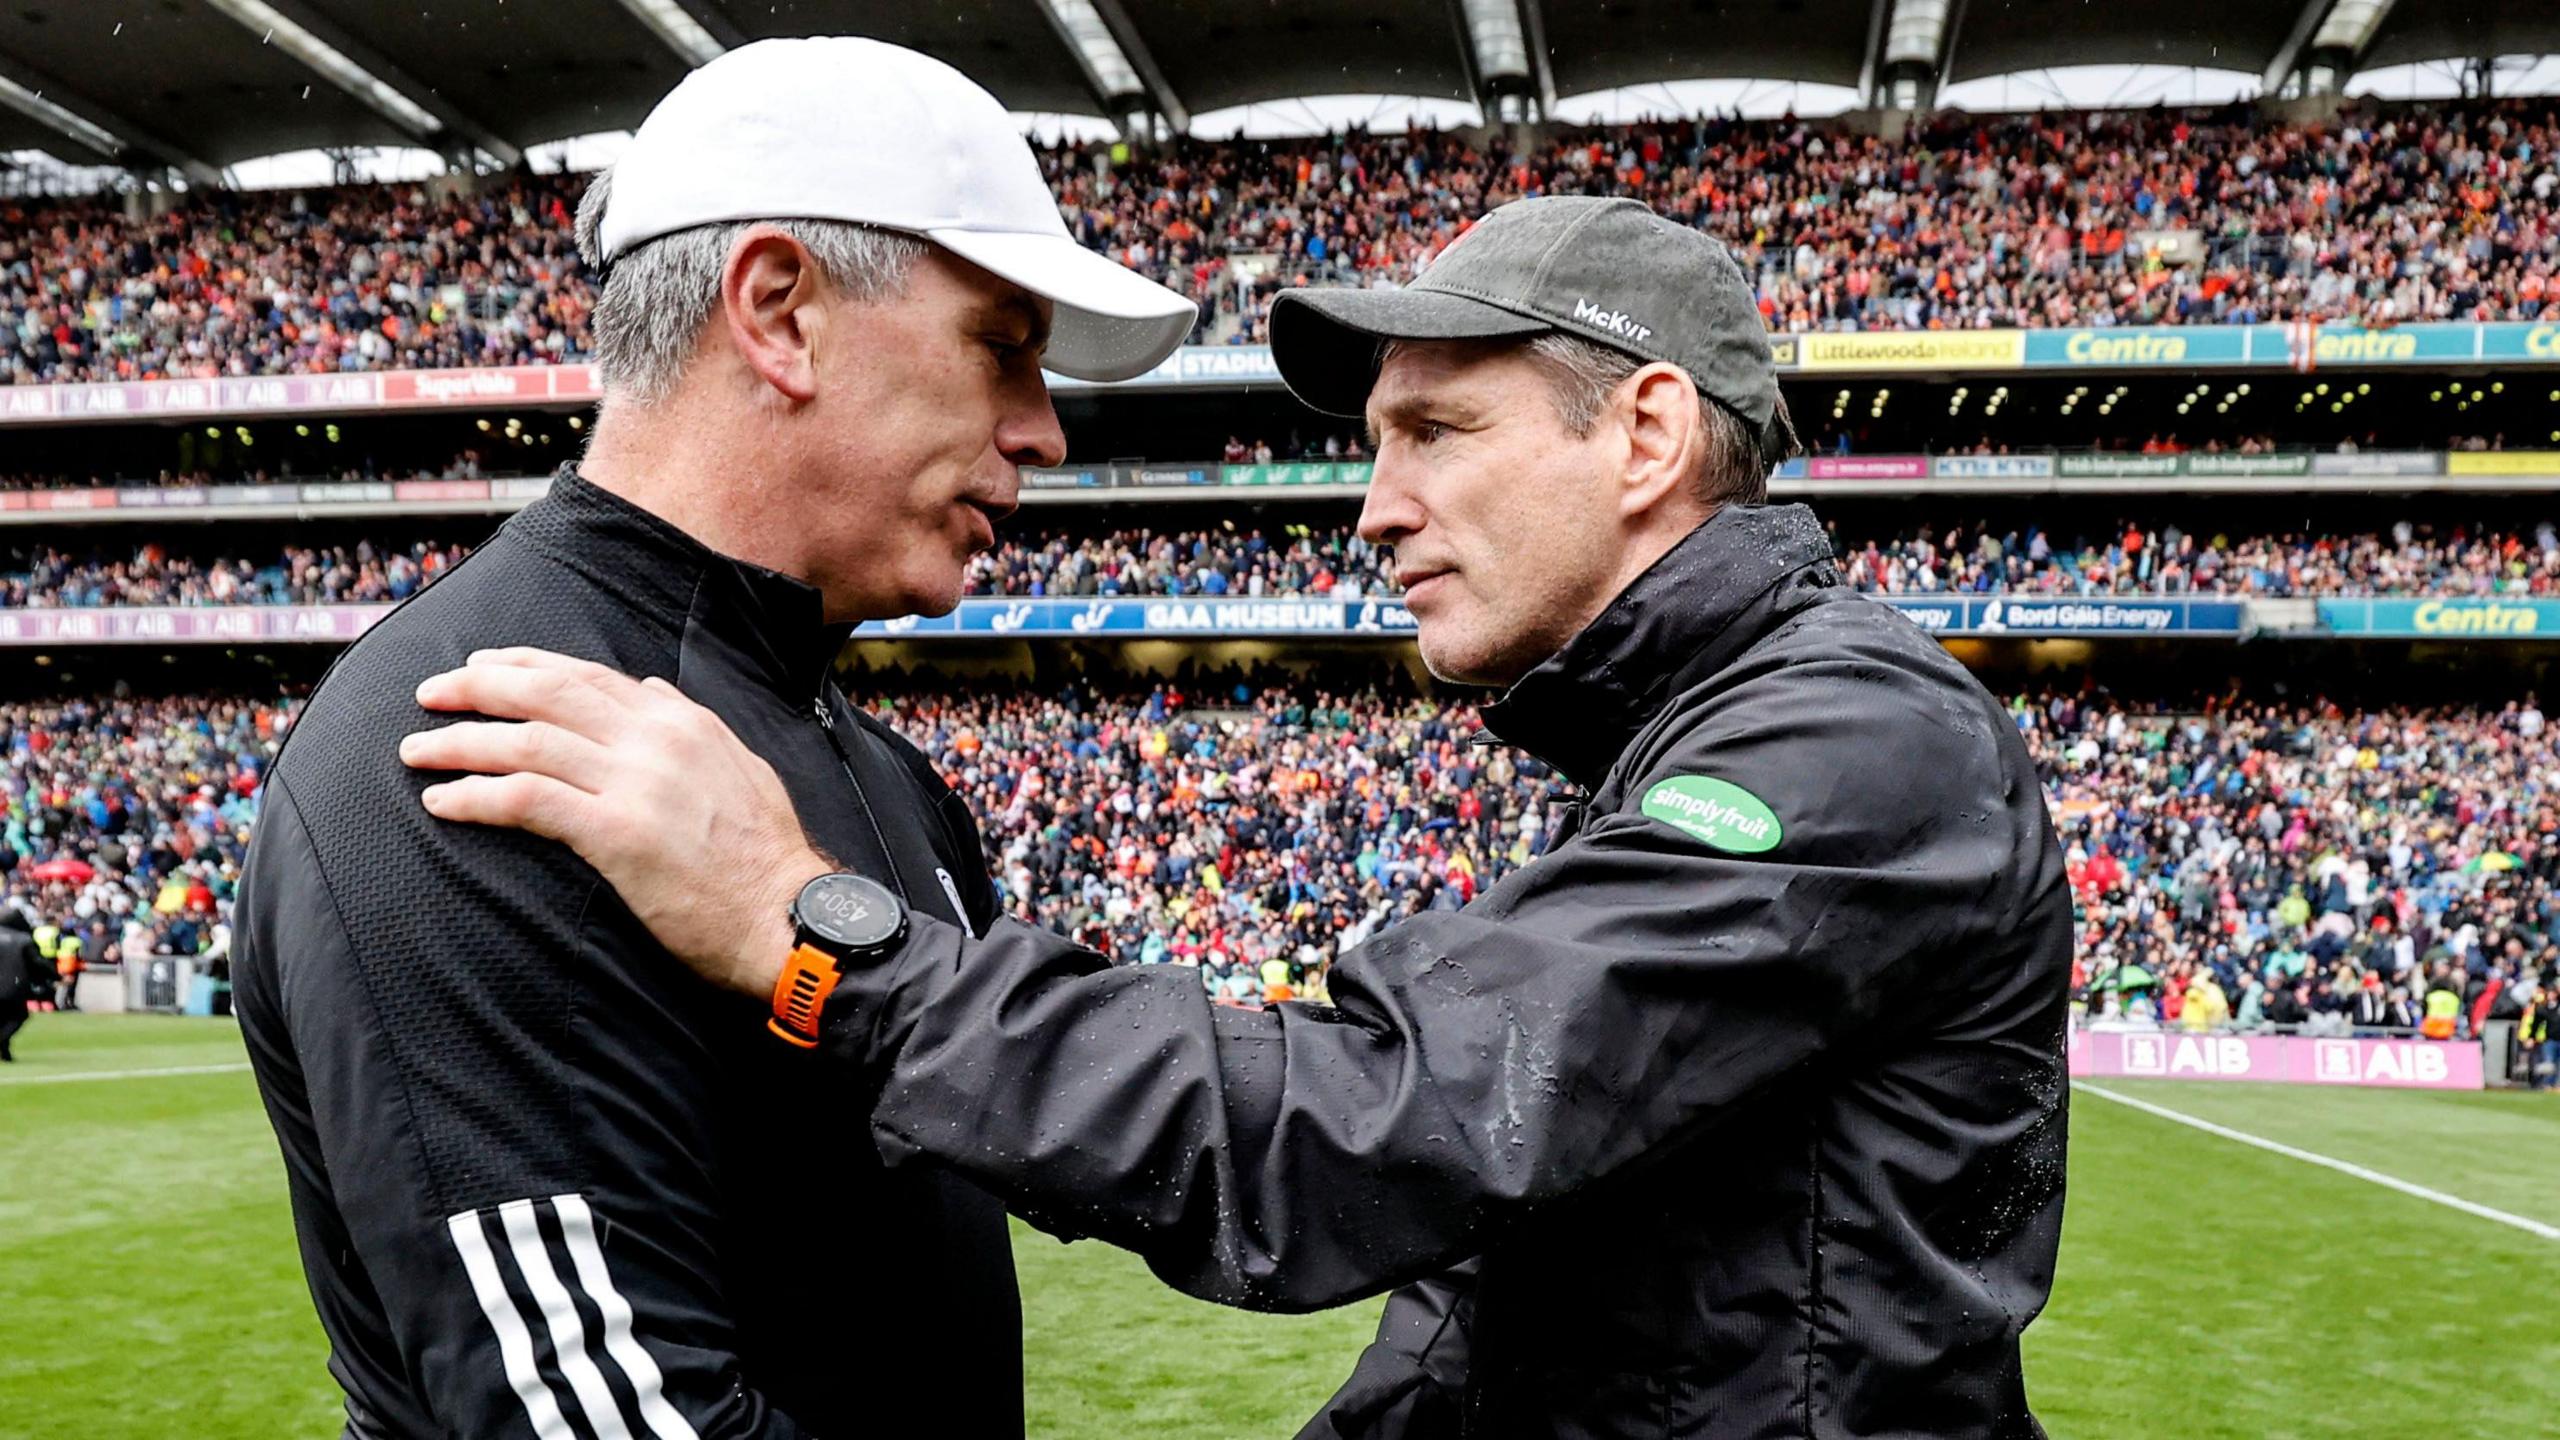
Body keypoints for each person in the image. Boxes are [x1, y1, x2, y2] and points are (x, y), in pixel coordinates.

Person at [406, 194, 2075, 1437]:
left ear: (1645, 434)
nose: (1373, 506)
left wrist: (816, 939)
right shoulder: (1673, 754)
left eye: (1432, 431)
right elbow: (1483, 1301)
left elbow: (1371, 1119)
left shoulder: (1855, 742)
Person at [230, 38, 1193, 1440]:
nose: (1043, 432)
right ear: (781, 312)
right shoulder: (472, 747)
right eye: (1003, 346)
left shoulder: (871, 764)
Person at [0, 909, 42, 1061]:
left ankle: (5, 1050)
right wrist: (54, 976)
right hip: (13, 986)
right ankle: (3, 1043)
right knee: (18, 1015)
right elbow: (38, 963)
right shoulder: (23, 939)